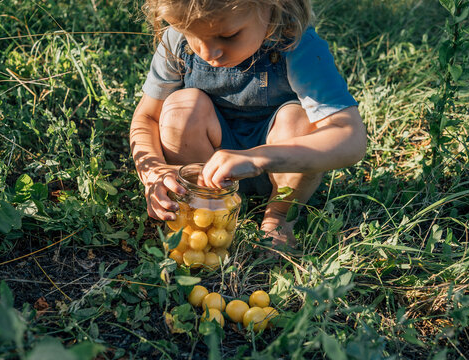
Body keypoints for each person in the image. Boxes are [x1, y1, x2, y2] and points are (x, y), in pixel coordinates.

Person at [130, 0, 367, 250]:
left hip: (281, 167)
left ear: (273, 6)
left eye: (228, 35)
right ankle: (207, 207)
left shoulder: (296, 45)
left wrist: (257, 158)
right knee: (181, 107)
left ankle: (278, 218)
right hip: (208, 172)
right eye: (192, 35)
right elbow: (148, 117)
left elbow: (350, 138)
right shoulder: (176, 42)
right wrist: (153, 172)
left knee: (299, 120)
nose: (209, 54)